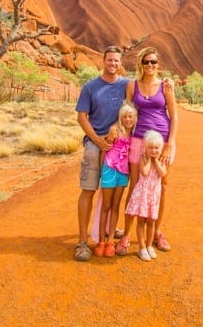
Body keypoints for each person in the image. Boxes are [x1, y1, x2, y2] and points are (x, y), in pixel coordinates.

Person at [116, 46, 178, 256]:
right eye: (146, 62)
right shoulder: (133, 86)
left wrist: (170, 143)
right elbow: (128, 112)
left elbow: (174, 116)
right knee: (135, 186)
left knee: (162, 186)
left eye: (154, 62)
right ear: (141, 64)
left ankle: (157, 232)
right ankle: (126, 235)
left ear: (158, 64)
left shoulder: (166, 86)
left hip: (161, 142)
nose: (150, 65)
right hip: (138, 140)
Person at [74, 46, 129, 262]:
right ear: (103, 61)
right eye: (110, 60)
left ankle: (107, 229)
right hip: (95, 145)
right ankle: (82, 241)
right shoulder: (90, 87)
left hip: (118, 148)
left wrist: (168, 85)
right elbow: (82, 117)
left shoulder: (126, 85)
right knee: (88, 189)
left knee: (113, 194)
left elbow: (144, 90)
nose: (113, 64)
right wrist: (97, 140)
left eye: (116, 61)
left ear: (120, 63)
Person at [93, 102, 136, 258]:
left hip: (123, 173)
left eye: (130, 116)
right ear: (121, 117)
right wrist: (101, 171)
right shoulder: (115, 130)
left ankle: (111, 241)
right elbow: (105, 149)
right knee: (106, 205)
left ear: (135, 118)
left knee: (116, 206)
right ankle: (101, 241)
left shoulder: (134, 134)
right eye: (125, 116)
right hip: (109, 170)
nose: (128, 119)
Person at [124, 130, 167, 261]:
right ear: (145, 148)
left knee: (151, 222)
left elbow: (162, 174)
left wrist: (156, 161)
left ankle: (149, 246)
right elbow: (145, 172)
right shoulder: (143, 158)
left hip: (153, 196)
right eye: (150, 148)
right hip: (143, 195)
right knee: (141, 221)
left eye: (156, 148)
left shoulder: (161, 161)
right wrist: (149, 160)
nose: (153, 151)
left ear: (161, 148)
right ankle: (142, 248)